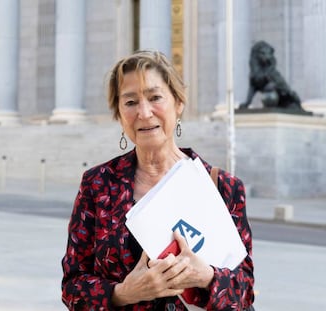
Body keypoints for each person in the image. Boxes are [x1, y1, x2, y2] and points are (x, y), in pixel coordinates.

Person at [61, 50, 255, 310]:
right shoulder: (97, 185)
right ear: (119, 113)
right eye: (130, 102)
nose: (144, 112)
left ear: (178, 103)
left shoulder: (223, 187)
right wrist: (123, 292)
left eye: (155, 97)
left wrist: (206, 277)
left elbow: (244, 292)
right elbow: (72, 287)